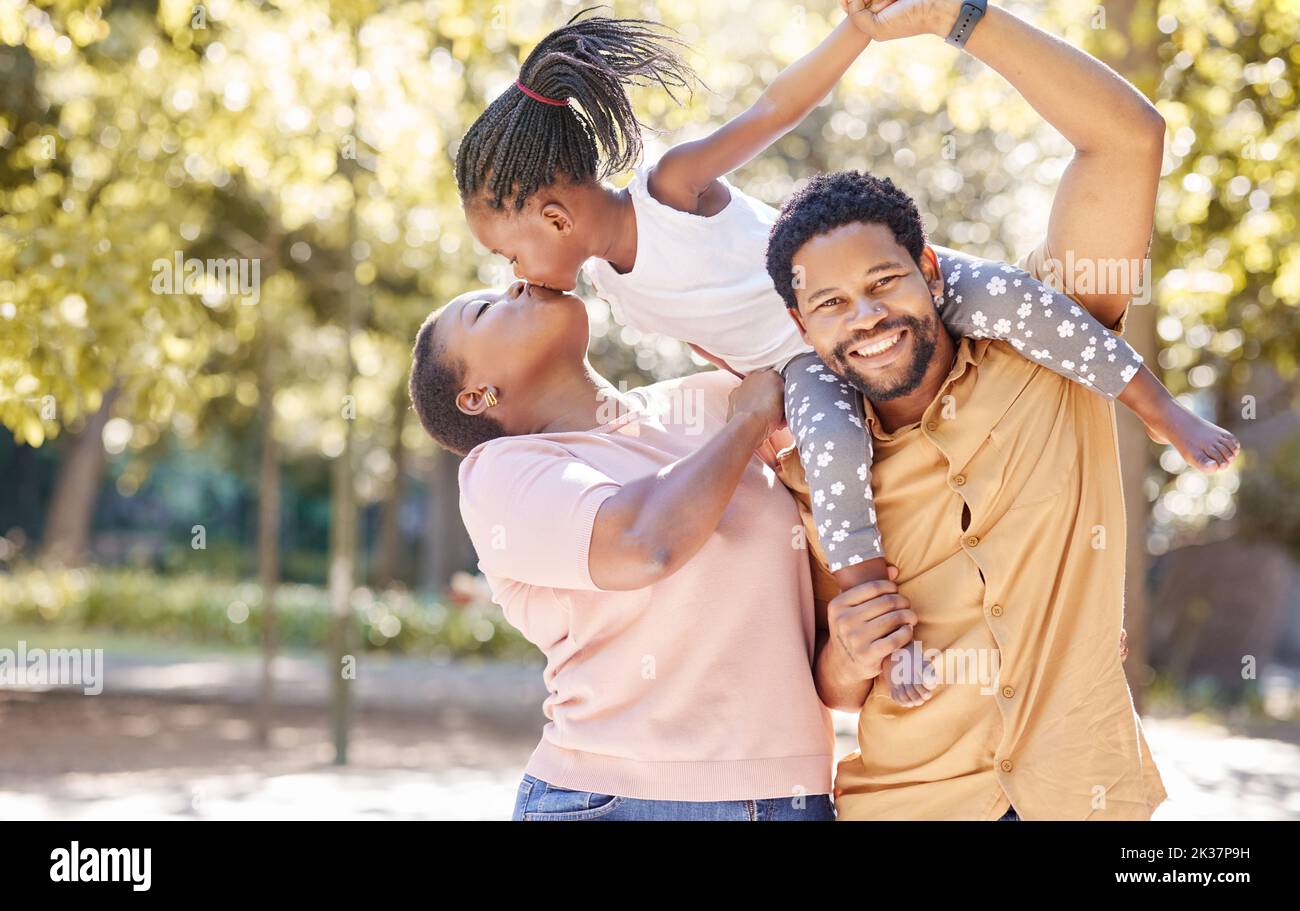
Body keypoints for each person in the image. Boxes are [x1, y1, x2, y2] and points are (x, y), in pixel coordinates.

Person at [452, 8, 1236, 705]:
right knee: (834, 466)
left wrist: (856, 31)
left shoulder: (669, 192)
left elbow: (774, 109)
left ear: (553, 215)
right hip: (806, 369)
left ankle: (1157, 407)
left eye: (503, 252)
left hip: (869, 287)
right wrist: (758, 408)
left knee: (1023, 306)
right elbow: (722, 342)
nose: (511, 271)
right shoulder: (613, 290)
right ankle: (880, 620)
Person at [763, 0, 1212, 819]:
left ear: (929, 268)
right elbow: (829, 680)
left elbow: (1127, 139)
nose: (863, 317)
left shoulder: (1054, 342)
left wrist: (955, 17)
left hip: (1084, 794)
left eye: (883, 283)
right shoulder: (812, 468)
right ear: (802, 324)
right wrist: (853, 653)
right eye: (830, 303)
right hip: (904, 802)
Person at [409, 279, 865, 820]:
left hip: (792, 794)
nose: (515, 284)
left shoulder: (714, 398)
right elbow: (644, 544)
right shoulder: (503, 473)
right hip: (617, 799)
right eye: (484, 310)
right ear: (478, 396)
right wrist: (748, 422)